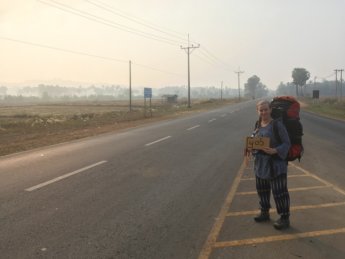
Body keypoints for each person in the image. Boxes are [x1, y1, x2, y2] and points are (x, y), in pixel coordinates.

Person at [251, 100, 291, 230]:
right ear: (258, 111)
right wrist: (251, 146)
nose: (263, 112)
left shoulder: (276, 125)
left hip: (276, 165)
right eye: (261, 110)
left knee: (279, 192)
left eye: (265, 109)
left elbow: (287, 143)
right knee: (262, 190)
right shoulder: (258, 124)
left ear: (270, 110)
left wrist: (275, 150)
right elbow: (256, 141)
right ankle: (264, 212)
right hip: (261, 164)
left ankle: (284, 218)